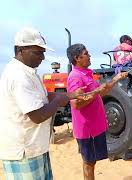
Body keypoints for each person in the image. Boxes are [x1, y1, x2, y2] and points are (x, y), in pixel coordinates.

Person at [0, 27, 84, 180]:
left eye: (43, 52)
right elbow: (37, 116)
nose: (43, 57)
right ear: (20, 50)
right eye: (38, 52)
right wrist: (59, 100)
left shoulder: (29, 73)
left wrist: (71, 95)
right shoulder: (18, 76)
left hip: (36, 148)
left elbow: (46, 95)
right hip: (24, 152)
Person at [66, 43, 128, 180]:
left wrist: (117, 78)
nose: (89, 56)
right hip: (86, 130)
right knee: (88, 163)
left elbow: (102, 90)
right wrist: (97, 91)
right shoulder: (75, 76)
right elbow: (76, 104)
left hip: (93, 128)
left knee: (91, 161)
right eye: (86, 53)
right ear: (77, 58)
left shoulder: (86, 74)